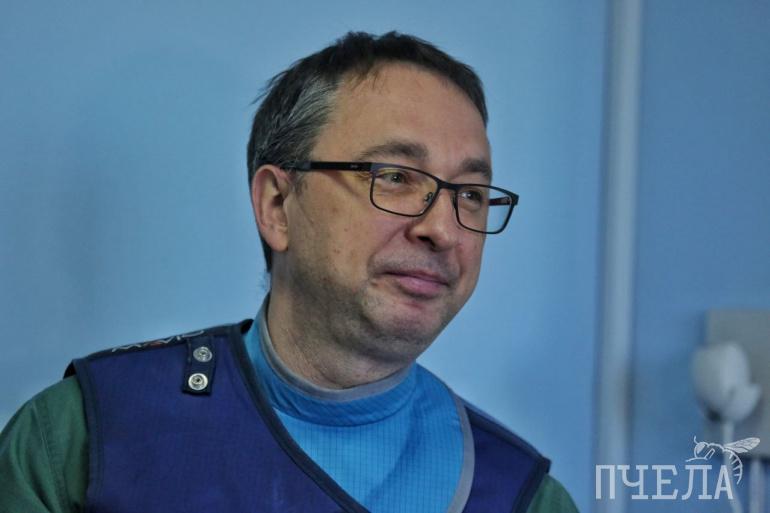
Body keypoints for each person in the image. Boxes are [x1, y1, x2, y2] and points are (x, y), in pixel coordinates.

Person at [0, 31, 578, 513]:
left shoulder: (519, 497)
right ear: (277, 205)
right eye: (395, 177)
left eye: (471, 194)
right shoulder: (85, 436)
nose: (444, 230)